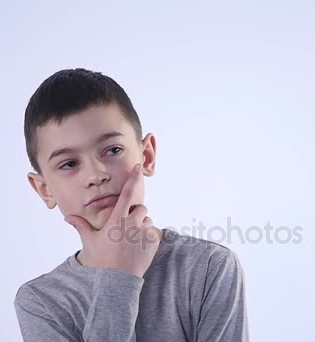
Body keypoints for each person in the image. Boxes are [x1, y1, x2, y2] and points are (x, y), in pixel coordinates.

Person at [14, 68, 249, 341]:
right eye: (69, 164)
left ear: (146, 156)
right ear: (44, 190)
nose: (96, 175)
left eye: (113, 150)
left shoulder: (209, 267)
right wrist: (119, 278)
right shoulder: (41, 302)